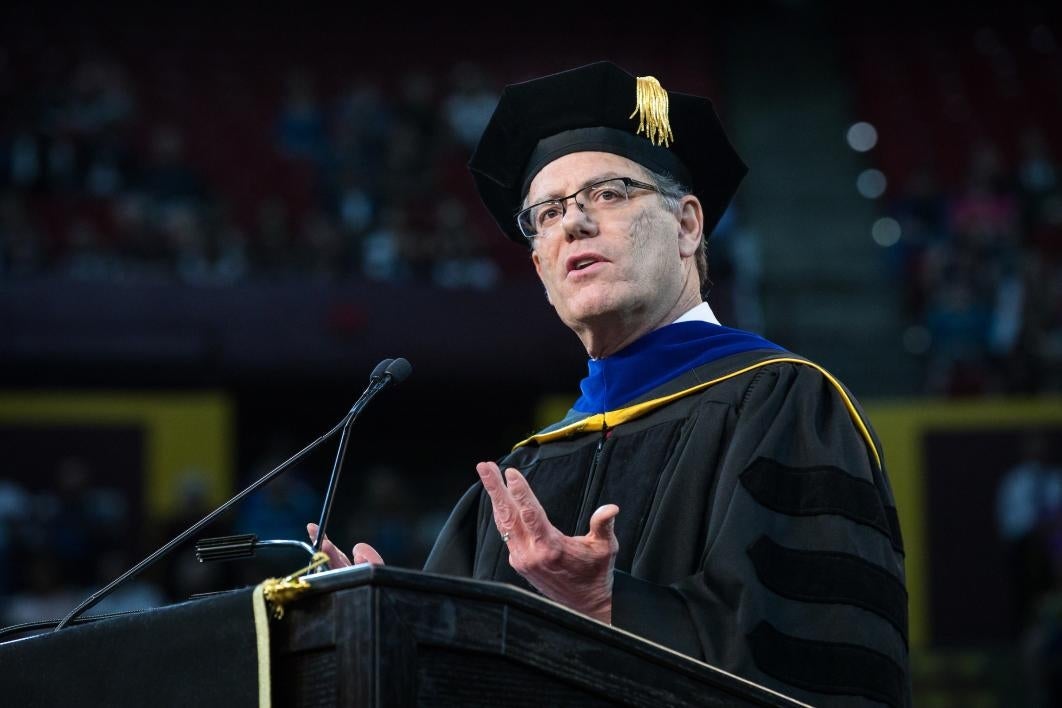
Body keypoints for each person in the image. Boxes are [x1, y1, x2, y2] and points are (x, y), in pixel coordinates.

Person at [309, 61, 910, 707]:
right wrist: (389, 629)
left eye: (611, 193)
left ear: (687, 225)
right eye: (546, 214)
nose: (573, 224)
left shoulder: (782, 403)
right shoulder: (519, 481)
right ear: (540, 264)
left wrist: (612, 606)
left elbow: (823, 662)